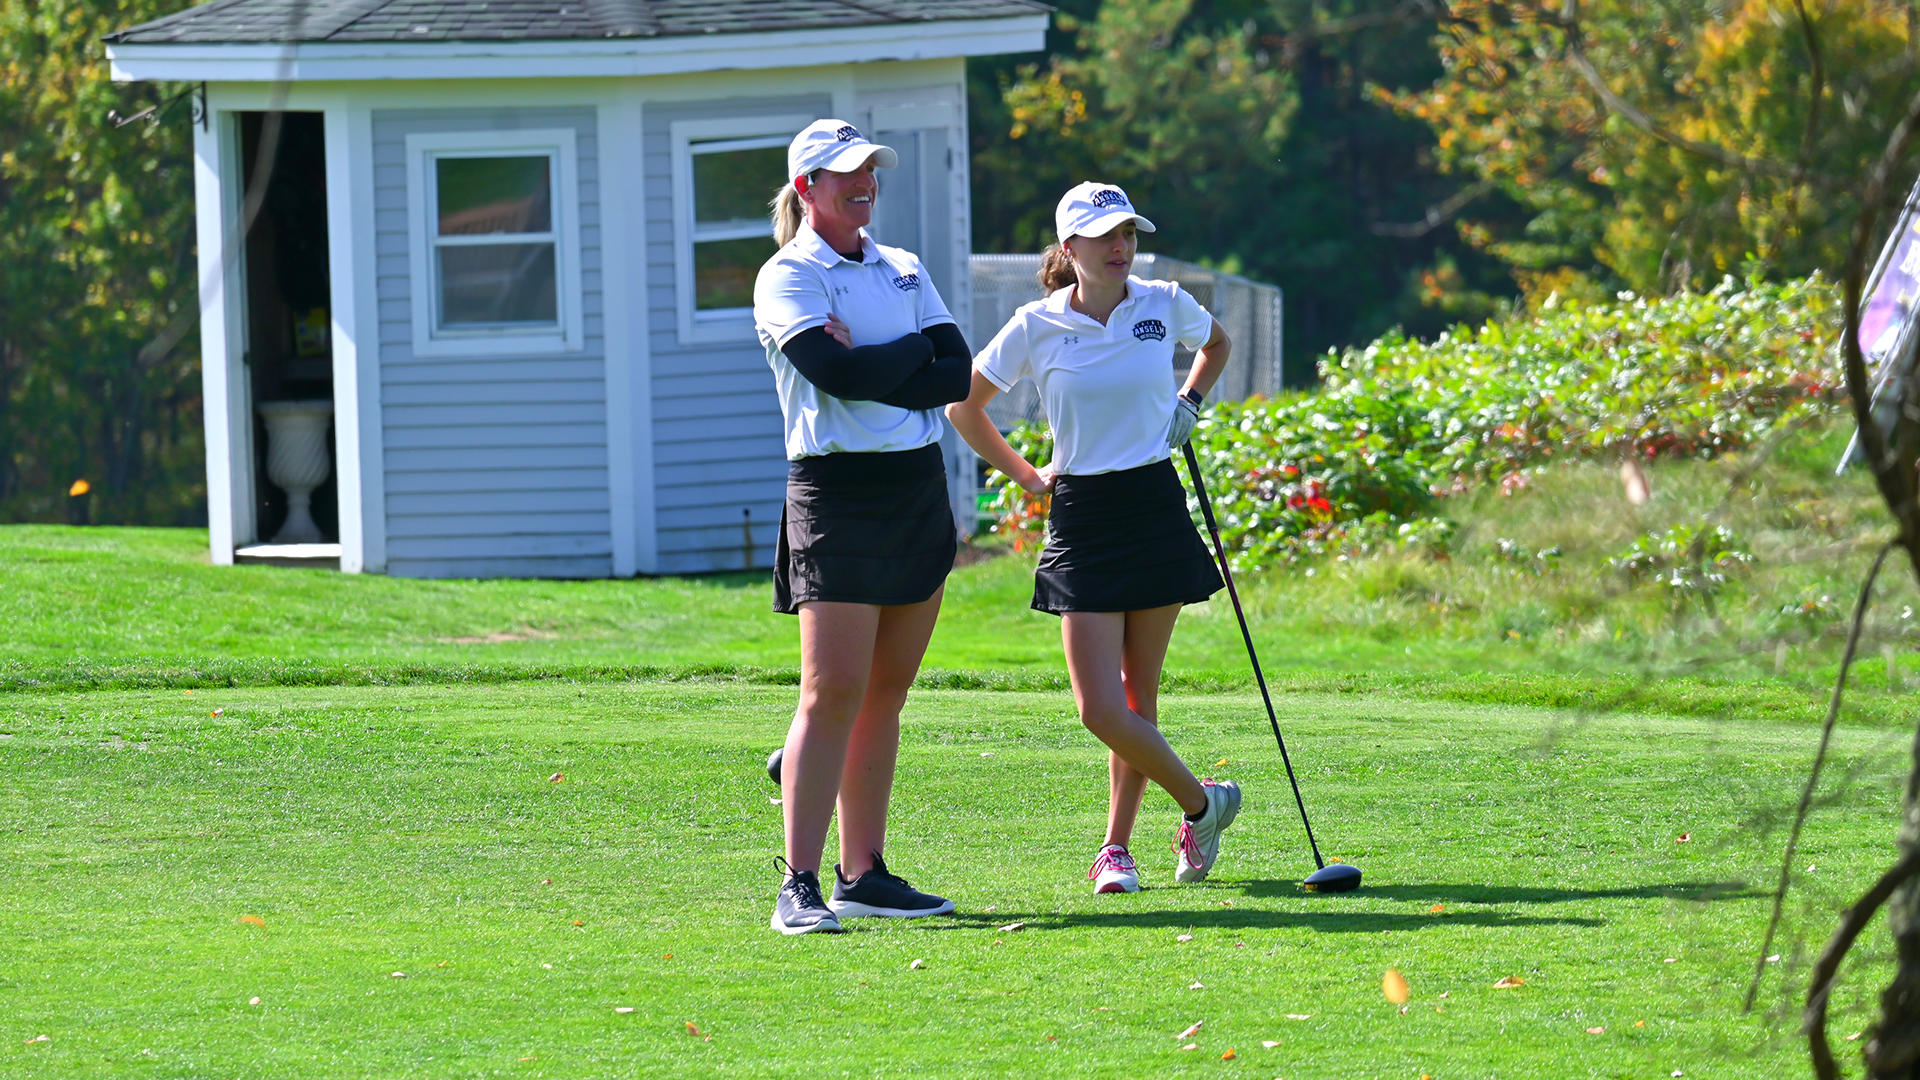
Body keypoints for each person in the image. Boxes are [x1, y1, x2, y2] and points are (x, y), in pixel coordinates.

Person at [946, 182, 1240, 894]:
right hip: (1082, 511)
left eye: (1128, 235)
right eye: (1105, 237)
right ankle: (1204, 805)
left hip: (1152, 503)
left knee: (1140, 699)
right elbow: (964, 406)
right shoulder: (1034, 324)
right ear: (1069, 248)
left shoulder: (1162, 302)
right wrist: (1025, 475)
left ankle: (1116, 851)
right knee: (1098, 708)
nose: (1120, 248)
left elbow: (1217, 344)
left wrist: (1189, 403)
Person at [753, 119, 973, 934]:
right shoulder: (787, 276)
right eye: (844, 173)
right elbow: (833, 376)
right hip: (837, 492)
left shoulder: (905, 269)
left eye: (869, 170)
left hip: (914, 489)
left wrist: (903, 356)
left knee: (885, 693)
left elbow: (957, 374)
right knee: (831, 691)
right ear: (807, 187)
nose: (864, 183)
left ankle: (864, 871)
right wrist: (912, 357)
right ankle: (799, 884)